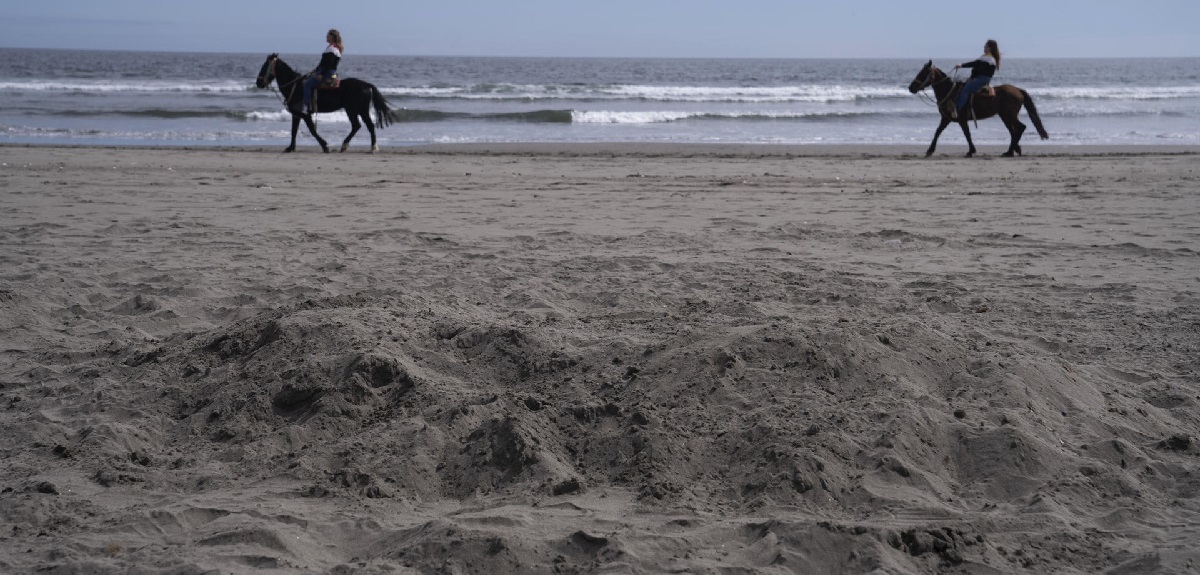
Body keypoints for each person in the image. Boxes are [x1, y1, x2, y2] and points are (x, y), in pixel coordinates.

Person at [949, 39, 1000, 120]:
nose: (984, 47)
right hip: (982, 78)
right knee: (962, 86)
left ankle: (957, 108)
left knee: (966, 90)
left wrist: (961, 65)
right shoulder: (988, 58)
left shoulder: (988, 58)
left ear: (989, 48)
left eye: (985, 46)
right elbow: (977, 67)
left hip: (982, 79)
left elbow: (975, 65)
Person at [300, 29, 343, 115]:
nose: (326, 37)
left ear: (331, 37)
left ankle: (307, 106)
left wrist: (321, 75)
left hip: (327, 73)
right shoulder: (332, 48)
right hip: (326, 71)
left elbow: (328, 64)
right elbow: (323, 63)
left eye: (327, 35)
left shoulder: (332, 49)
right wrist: (315, 70)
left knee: (307, 83)